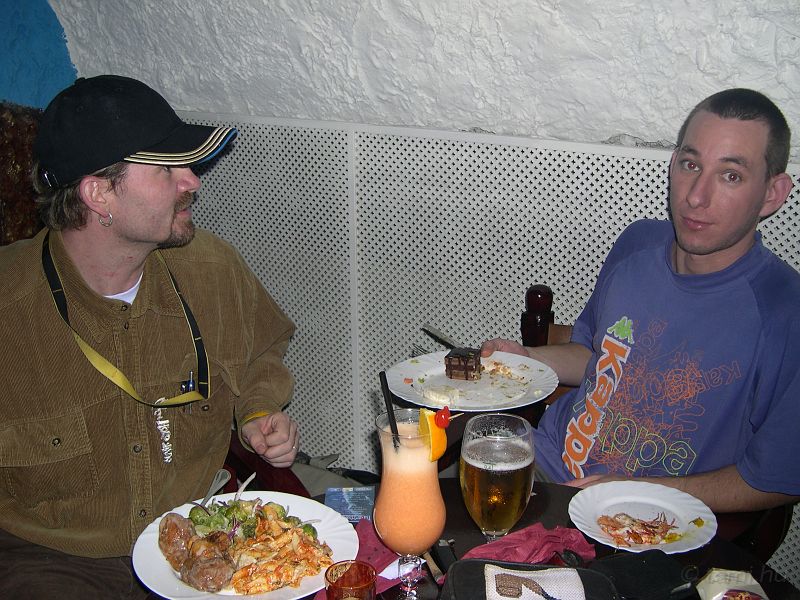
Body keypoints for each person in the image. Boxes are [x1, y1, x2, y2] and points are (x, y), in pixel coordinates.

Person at [0, 75, 299, 597]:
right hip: (53, 557)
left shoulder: (213, 269)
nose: (192, 181)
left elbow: (261, 348)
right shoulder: (10, 307)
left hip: (200, 538)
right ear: (99, 193)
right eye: (166, 168)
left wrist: (257, 410)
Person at [483, 88, 800, 514]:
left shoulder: (785, 312)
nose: (696, 196)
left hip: (641, 520)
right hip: (541, 466)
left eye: (730, 176)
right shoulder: (638, 242)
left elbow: (777, 480)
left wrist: (641, 490)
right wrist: (528, 359)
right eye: (691, 165)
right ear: (673, 164)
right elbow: (598, 355)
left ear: (772, 194)